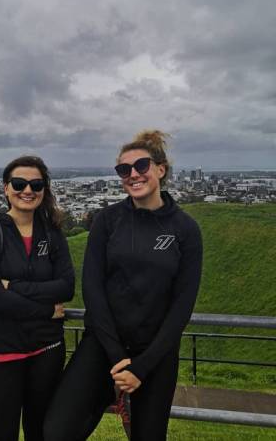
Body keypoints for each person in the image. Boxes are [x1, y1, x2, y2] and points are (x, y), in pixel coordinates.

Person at [44, 130, 203, 441]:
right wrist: (118, 358)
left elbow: (182, 305)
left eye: (141, 166)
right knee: (57, 430)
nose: (133, 174)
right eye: (123, 169)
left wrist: (141, 367)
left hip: (155, 354)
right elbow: (93, 289)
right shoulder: (108, 220)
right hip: (103, 345)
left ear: (161, 169)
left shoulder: (185, 229)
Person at [0, 155, 75, 441]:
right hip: (1, 351)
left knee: (41, 433)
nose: (27, 190)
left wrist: (12, 286)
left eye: (36, 184)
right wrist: (46, 310)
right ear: (6, 188)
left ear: (44, 190)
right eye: (19, 183)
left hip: (46, 350)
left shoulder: (52, 234)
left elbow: (66, 287)